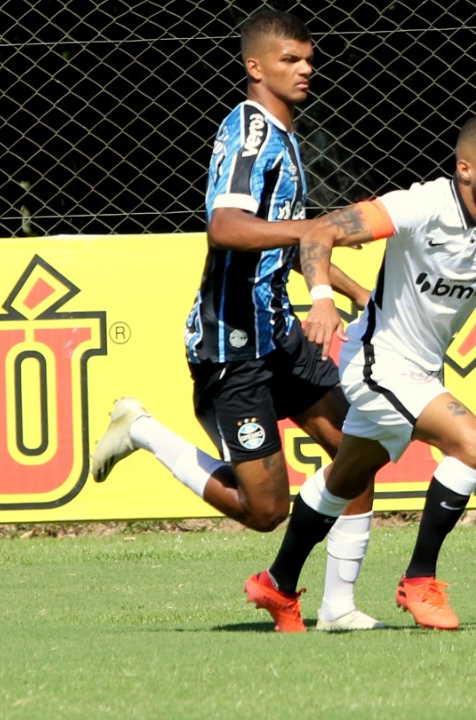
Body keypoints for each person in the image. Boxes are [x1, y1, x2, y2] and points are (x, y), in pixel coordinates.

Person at [245, 113, 476, 632]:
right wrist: (322, 299)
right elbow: (320, 232)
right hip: (376, 360)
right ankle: (419, 581)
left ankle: (277, 583)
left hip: (421, 371)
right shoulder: (422, 205)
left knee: (347, 476)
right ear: (465, 170)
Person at [89, 9, 383, 632]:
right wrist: (313, 228)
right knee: (265, 509)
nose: (306, 69)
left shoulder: (285, 134)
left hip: (281, 333)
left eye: (308, 58)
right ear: (255, 67)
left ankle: (338, 606)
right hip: (233, 347)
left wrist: (353, 290)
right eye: (289, 60)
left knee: (359, 454)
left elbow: (280, 244)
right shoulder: (250, 134)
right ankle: (141, 430)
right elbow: (225, 229)